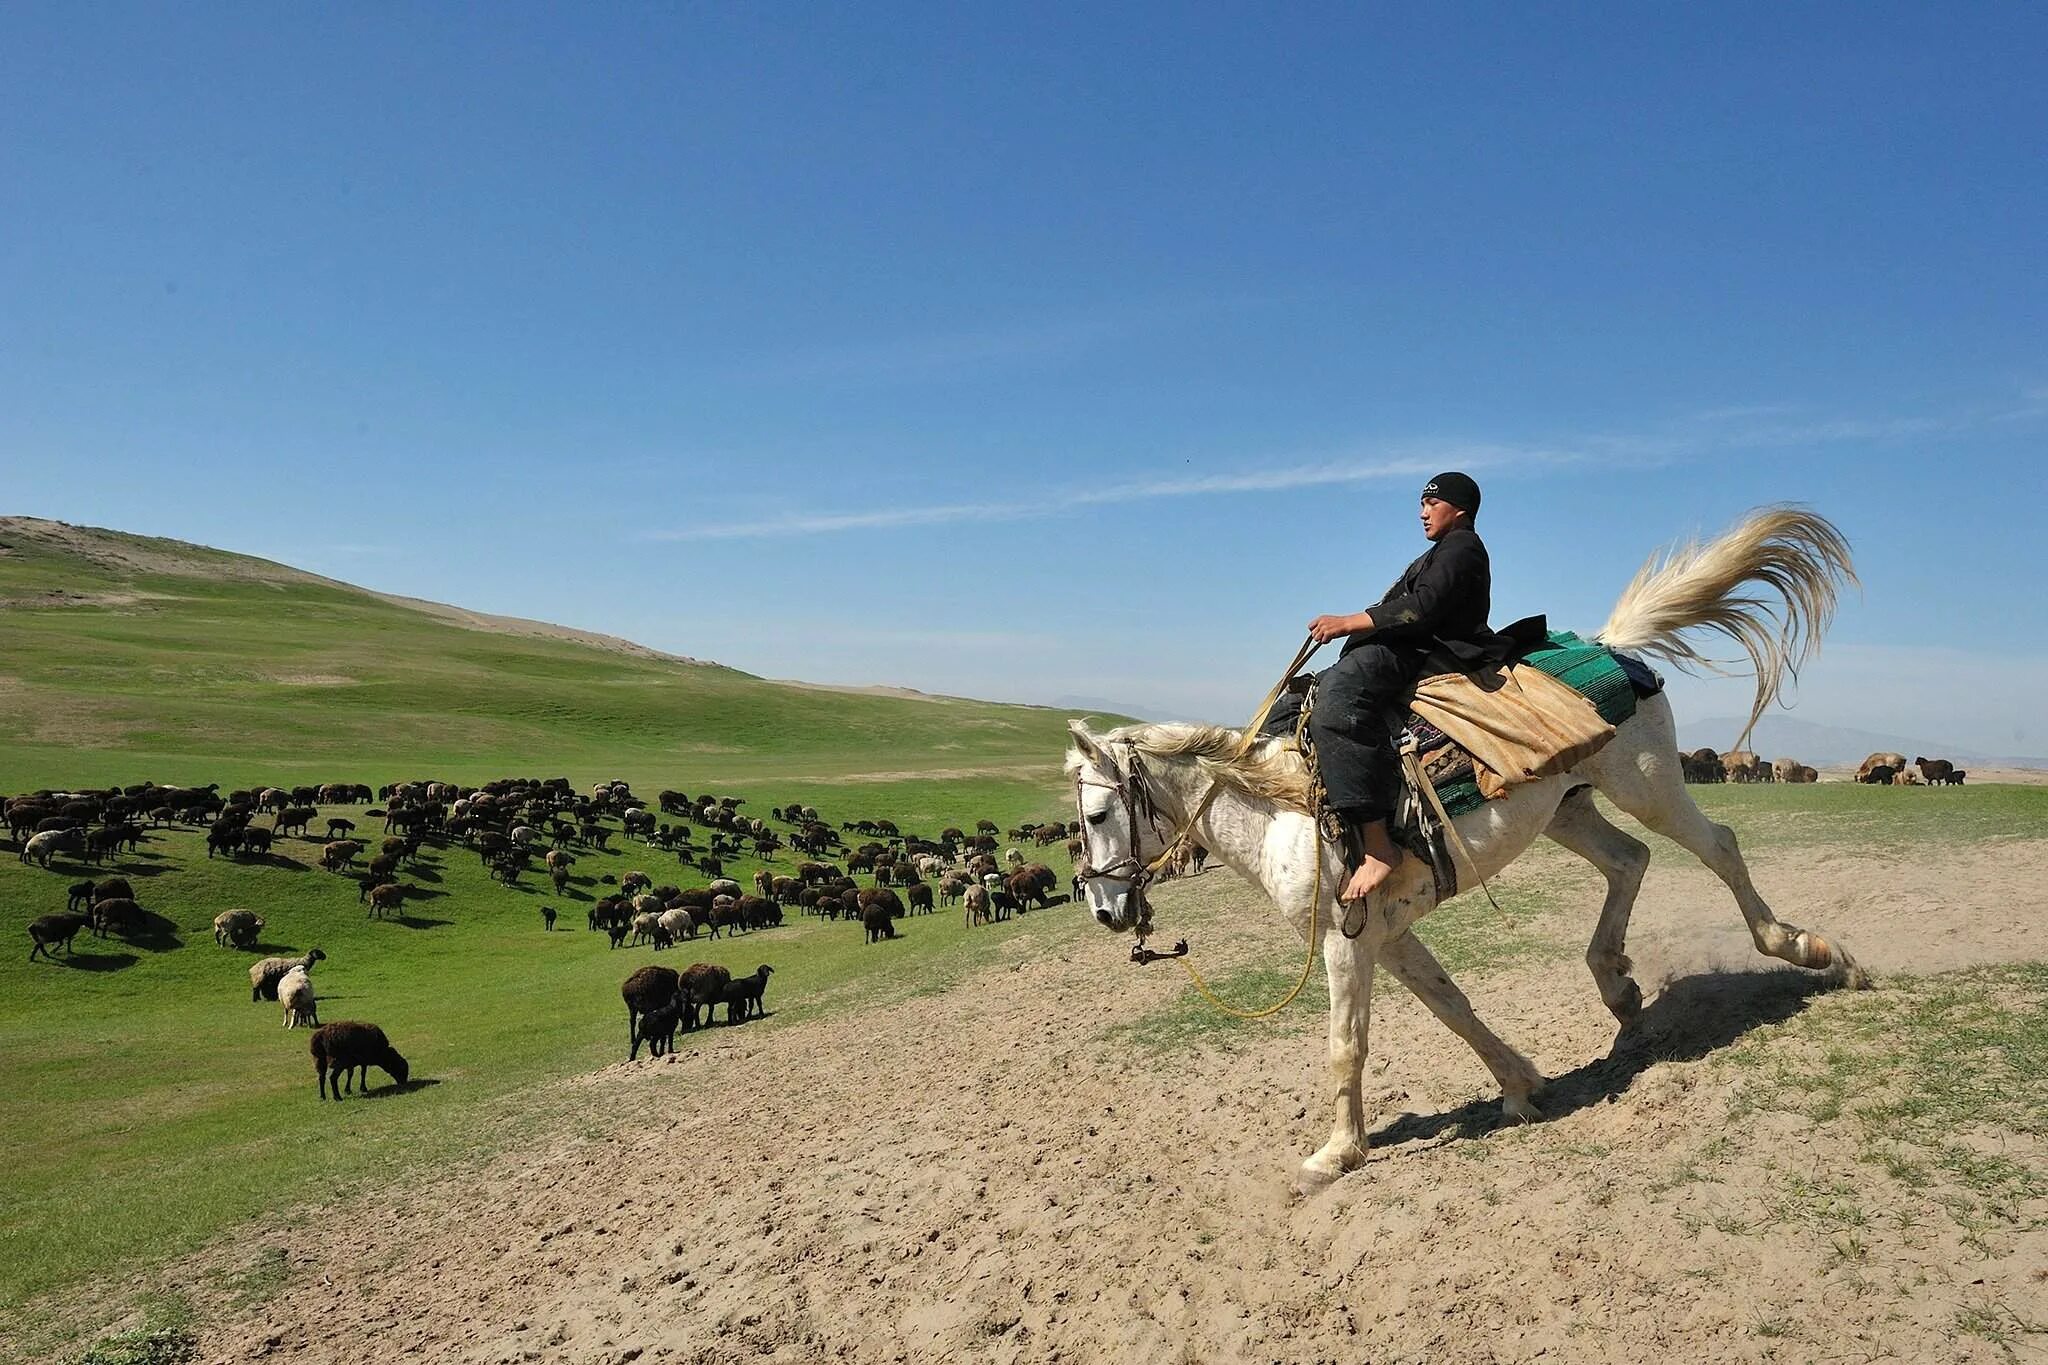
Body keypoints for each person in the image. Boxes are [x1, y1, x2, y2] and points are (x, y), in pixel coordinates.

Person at [1304, 472, 1511, 908]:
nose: (1422, 513)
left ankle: (1379, 845)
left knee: (1336, 706)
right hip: (1403, 646)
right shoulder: (1441, 551)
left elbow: (1421, 609)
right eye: (1421, 504)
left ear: (1460, 510)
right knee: (1298, 698)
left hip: (1422, 651)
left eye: (1431, 505)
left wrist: (1348, 622)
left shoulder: (1463, 548)